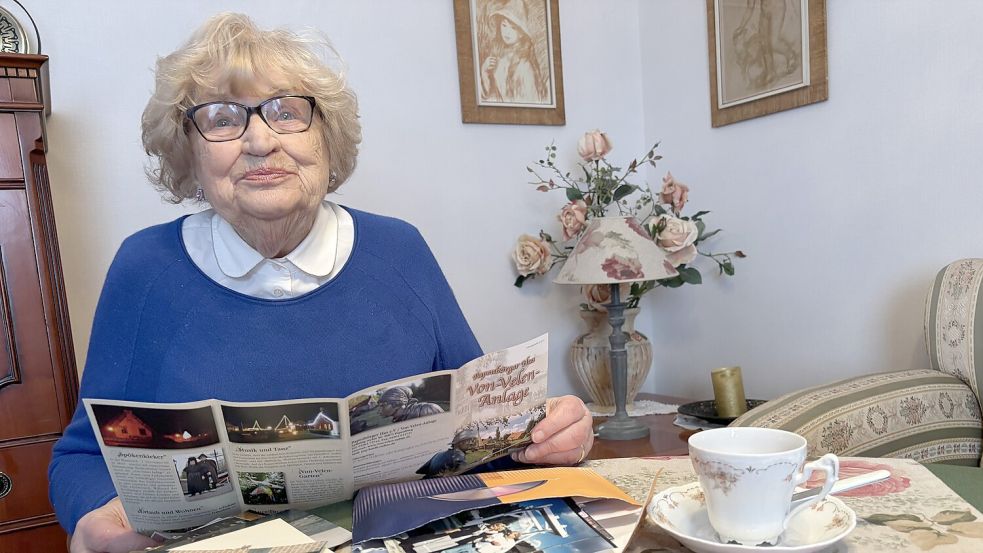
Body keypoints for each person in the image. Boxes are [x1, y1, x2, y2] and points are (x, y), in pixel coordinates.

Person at [48, 13, 593, 553]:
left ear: (327, 140)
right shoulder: (146, 268)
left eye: (287, 112)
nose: (260, 140)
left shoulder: (399, 250)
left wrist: (547, 436)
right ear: (188, 152)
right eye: (221, 118)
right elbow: (82, 458)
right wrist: (93, 518)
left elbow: (478, 439)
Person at [479, 0, 549, 104]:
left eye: (513, 28)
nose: (507, 32)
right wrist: (484, 72)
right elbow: (489, 99)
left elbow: (528, 106)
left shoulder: (524, 66)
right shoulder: (497, 56)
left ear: (521, 33)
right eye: (504, 25)